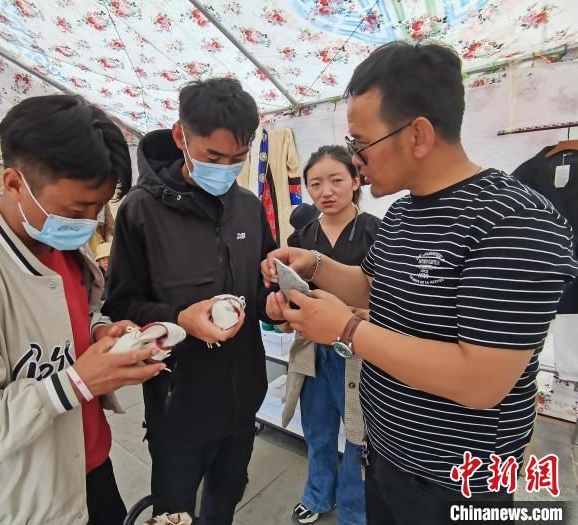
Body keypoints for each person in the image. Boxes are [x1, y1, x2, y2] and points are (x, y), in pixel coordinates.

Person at [262, 42, 578, 525]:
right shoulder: (403, 212)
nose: (355, 159)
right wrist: (314, 265)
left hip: (455, 479)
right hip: (385, 450)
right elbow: (372, 286)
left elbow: (481, 381)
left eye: (359, 142)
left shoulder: (515, 221)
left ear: (418, 135)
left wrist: (346, 330)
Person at [0, 95, 167, 525]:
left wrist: (100, 331)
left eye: (98, 209)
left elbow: (76, 316)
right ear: (13, 183)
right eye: (77, 210)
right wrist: (75, 382)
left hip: (91, 467)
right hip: (28, 501)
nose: (88, 223)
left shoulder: (57, 242)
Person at [103, 78, 277, 524]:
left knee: (225, 498)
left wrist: (274, 304)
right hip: (178, 405)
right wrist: (180, 319)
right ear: (181, 136)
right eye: (214, 157)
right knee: (175, 511)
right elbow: (121, 306)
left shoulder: (248, 207)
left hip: (242, 397)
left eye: (237, 159)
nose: (225, 169)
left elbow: (262, 285)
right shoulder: (140, 210)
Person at [285, 147, 379, 525]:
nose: (326, 191)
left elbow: (382, 296)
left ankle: (355, 512)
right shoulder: (302, 236)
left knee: (359, 437)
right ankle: (318, 495)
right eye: (315, 184)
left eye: (336, 180)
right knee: (317, 430)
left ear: (355, 181)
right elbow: (292, 291)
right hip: (314, 350)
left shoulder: (377, 231)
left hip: (361, 351)